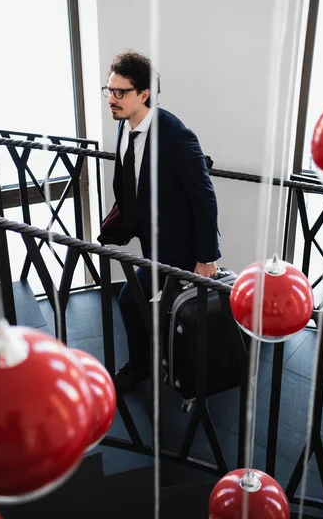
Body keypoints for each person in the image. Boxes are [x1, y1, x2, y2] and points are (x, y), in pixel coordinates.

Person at [100, 50, 220, 391]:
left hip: (180, 248)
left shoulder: (176, 135)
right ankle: (155, 361)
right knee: (138, 303)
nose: (112, 99)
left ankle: (155, 367)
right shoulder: (126, 126)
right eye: (109, 90)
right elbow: (130, 178)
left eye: (120, 92)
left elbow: (204, 198)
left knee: (130, 299)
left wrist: (206, 258)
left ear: (143, 94)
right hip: (152, 241)